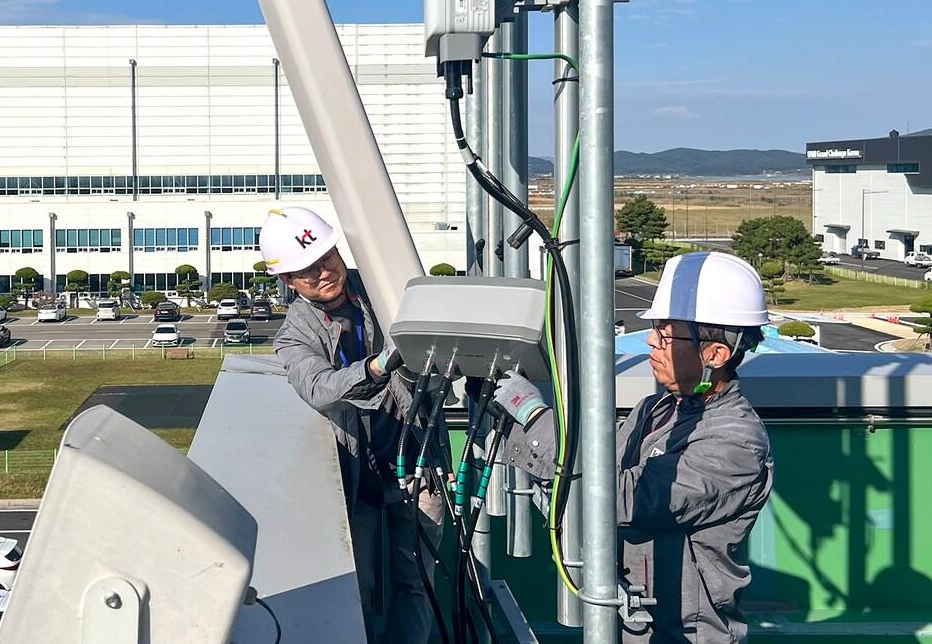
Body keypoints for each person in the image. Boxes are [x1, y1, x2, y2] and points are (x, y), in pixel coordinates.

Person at [493, 251, 774, 643]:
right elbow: (593, 465)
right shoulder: (656, 408)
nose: (650, 341)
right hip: (630, 621)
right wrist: (509, 421)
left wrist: (534, 416)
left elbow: (619, 496)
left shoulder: (735, 444)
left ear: (715, 354)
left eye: (666, 333)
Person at [260, 206, 451, 644]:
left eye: (326, 259)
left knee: (416, 580)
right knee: (354, 590)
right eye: (306, 272)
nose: (323, 273)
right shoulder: (294, 334)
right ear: (288, 282)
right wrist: (378, 367)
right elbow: (319, 387)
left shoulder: (384, 289)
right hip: (356, 477)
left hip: (417, 461)